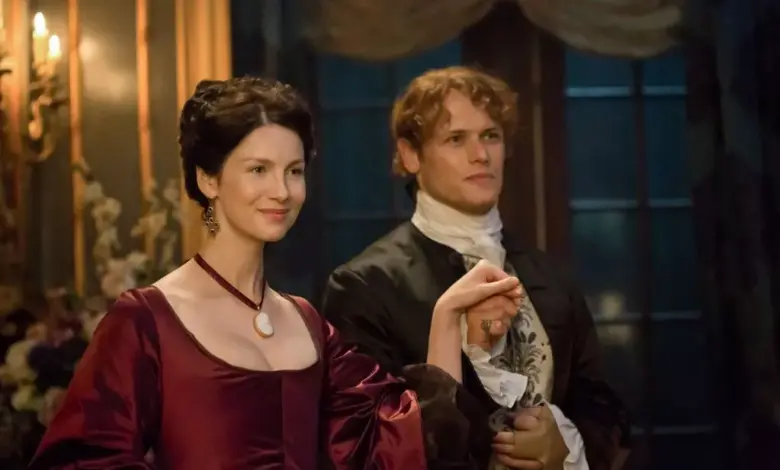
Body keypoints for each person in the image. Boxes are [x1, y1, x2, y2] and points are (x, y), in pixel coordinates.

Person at [28, 77, 524, 470]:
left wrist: (445, 318)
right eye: (258, 169)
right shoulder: (146, 321)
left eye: (294, 171)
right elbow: (83, 461)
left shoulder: (308, 325)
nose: (282, 191)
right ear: (208, 178)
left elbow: (398, 448)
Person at [322, 67, 631, 470]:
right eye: (456, 139)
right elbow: (367, 445)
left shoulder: (550, 275)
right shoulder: (365, 286)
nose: (480, 155)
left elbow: (603, 405)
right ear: (411, 155)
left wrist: (568, 446)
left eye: (490, 135)